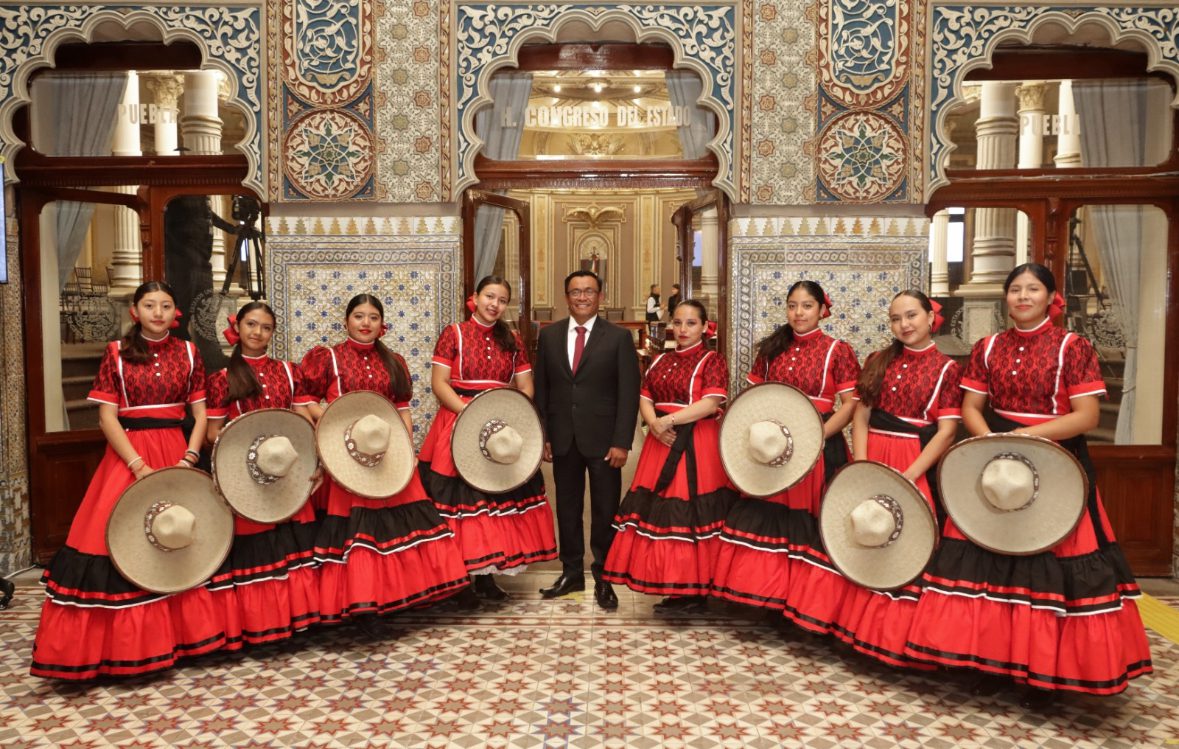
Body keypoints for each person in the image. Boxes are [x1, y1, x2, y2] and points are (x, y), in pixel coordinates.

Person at [904, 263, 1152, 702]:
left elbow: (1087, 417)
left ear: (1052, 297)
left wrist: (1025, 439)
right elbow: (971, 407)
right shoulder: (988, 347)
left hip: (1057, 463)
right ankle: (991, 663)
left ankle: (1044, 671)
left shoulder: (1073, 347)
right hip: (998, 466)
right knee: (989, 559)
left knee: (1046, 564)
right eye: (1015, 289)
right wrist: (993, 444)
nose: (1022, 297)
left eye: (1032, 289)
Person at [31, 281, 224, 679]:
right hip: (128, 455)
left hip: (176, 454)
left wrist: (190, 457)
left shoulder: (189, 352)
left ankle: (180, 640)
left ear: (175, 312)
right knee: (113, 538)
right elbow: (107, 417)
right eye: (149, 305)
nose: (158, 313)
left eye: (165, 305)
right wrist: (136, 465)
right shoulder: (116, 353)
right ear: (135, 311)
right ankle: (114, 649)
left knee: (176, 537)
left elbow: (200, 412)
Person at [296, 293, 470, 624]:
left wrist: (406, 450)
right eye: (359, 316)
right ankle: (363, 604)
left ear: (382, 324)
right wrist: (337, 424)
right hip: (345, 453)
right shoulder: (327, 358)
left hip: (386, 450)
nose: (366, 323)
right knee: (358, 530)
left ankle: (400, 596)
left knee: (403, 523)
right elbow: (305, 402)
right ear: (346, 320)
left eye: (373, 317)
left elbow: (402, 410)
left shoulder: (394, 361)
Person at [710, 280, 860, 631]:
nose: (798, 313)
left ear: (822, 310)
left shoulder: (837, 350)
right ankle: (767, 597)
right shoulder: (771, 349)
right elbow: (753, 400)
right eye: (792, 305)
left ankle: (802, 604)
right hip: (774, 450)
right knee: (768, 517)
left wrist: (816, 438)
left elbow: (850, 405)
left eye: (806, 306)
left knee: (806, 523)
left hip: (819, 447)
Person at [828, 290, 961, 668]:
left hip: (913, 463)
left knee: (905, 544)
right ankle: (858, 632)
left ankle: (896, 641)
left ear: (930, 317)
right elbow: (861, 416)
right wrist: (862, 464)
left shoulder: (948, 369)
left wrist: (911, 474)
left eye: (911, 315)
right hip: (873, 457)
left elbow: (947, 431)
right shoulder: (877, 360)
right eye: (895, 318)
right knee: (867, 536)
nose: (904, 324)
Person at [419, 276, 557, 601]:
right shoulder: (453, 334)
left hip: (498, 423)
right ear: (475, 297)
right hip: (458, 418)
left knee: (494, 502)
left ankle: (486, 577)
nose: (495, 304)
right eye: (489, 296)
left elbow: (526, 386)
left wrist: (509, 413)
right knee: (462, 505)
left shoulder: (512, 339)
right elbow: (439, 383)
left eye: (502, 300)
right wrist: (470, 413)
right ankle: (458, 580)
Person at [602, 300, 737, 611]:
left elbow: (711, 402)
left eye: (691, 323)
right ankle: (675, 584)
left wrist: (668, 421)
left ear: (704, 327)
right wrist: (653, 423)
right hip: (660, 442)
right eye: (677, 323)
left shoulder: (712, 360)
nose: (683, 329)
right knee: (660, 514)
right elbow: (644, 396)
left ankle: (696, 589)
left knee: (691, 514)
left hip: (697, 442)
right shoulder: (660, 359)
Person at [204, 301, 321, 645]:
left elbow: (303, 421)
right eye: (251, 325)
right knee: (258, 546)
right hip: (245, 472)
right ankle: (261, 625)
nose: (257, 332)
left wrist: (315, 460)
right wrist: (242, 445)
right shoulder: (222, 378)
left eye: (265, 327)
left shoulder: (289, 371)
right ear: (237, 328)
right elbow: (212, 433)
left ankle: (297, 620)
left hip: (286, 467)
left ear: (273, 333)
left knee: (291, 543)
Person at [533, 270, 640, 610]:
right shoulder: (549, 336)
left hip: (605, 440)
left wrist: (622, 441)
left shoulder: (619, 338)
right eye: (576, 291)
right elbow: (542, 389)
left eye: (589, 291)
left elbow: (629, 393)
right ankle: (571, 574)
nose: (582, 297)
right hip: (563, 437)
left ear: (600, 296)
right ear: (566, 297)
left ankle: (604, 577)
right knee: (567, 508)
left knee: (605, 509)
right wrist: (544, 435)